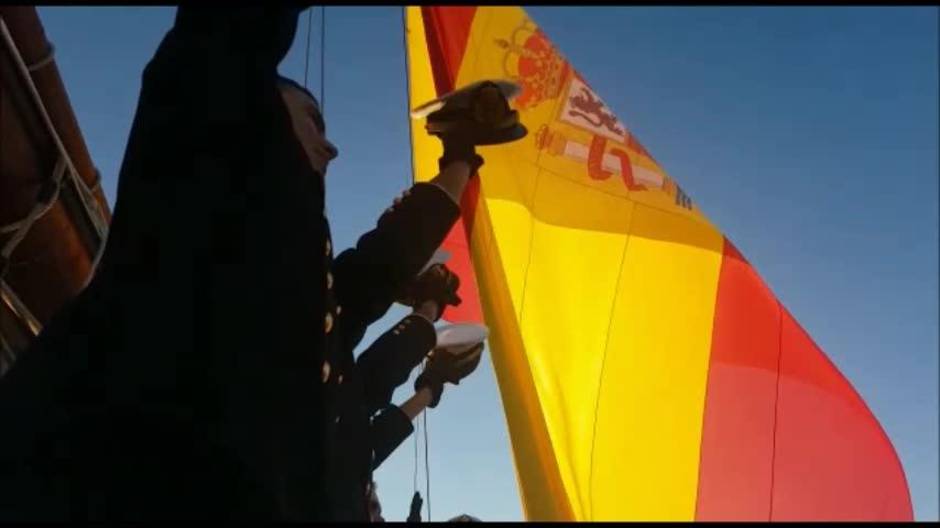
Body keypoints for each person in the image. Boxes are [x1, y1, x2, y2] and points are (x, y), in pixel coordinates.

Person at [0, 6, 514, 522]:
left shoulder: (289, 311)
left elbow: (374, 275)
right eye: (313, 122)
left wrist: (460, 157)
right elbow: (221, 41)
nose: (332, 149)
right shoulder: (195, 210)